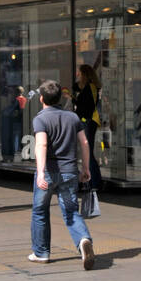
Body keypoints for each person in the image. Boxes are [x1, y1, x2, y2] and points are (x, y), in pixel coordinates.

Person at [30, 79, 94, 269]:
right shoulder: (72, 117)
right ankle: (83, 240)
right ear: (59, 98)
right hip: (69, 173)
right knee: (71, 211)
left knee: (40, 211)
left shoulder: (40, 118)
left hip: (49, 173)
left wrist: (41, 173)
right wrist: (86, 168)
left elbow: (41, 144)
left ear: (41, 98)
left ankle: (41, 253)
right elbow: (84, 143)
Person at [74, 64, 104, 190]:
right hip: (87, 121)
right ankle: (92, 181)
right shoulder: (88, 87)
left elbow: (87, 106)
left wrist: (82, 118)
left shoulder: (90, 87)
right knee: (87, 152)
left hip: (88, 121)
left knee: (88, 152)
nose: (77, 75)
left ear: (85, 75)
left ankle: (94, 182)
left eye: (79, 73)